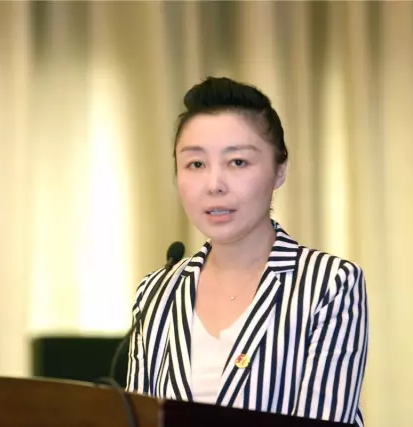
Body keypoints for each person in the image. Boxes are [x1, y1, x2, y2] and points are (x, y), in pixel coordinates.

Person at [125, 76, 368, 426]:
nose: (214, 185)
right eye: (196, 164)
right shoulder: (156, 292)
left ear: (279, 171)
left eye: (237, 162)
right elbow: (136, 417)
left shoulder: (328, 284)